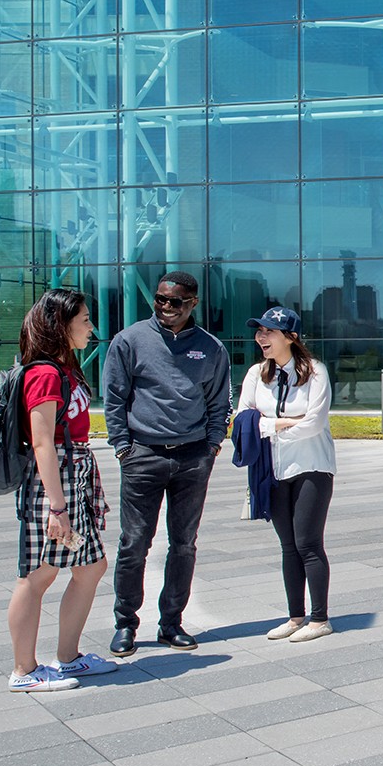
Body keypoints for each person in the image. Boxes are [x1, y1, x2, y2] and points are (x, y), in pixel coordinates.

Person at [102, 270, 232, 656]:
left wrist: (211, 446)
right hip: (143, 455)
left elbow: (219, 402)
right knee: (134, 543)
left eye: (175, 301)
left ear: (193, 303)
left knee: (184, 544)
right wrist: (123, 447)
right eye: (160, 299)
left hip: (193, 458)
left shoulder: (211, 348)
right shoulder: (130, 340)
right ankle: (125, 624)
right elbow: (114, 397)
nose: (165, 307)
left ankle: (171, 623)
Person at [7, 289, 115, 693]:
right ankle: (24, 671)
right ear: (60, 324)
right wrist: (57, 508)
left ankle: (68, 658)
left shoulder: (64, 368)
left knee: (90, 566)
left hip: (74, 479)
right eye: (84, 320)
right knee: (38, 575)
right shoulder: (45, 374)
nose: (91, 327)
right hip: (54, 486)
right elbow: (41, 443)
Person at [236, 306, 336, 644]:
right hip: (273, 469)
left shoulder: (316, 372)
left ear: (290, 337)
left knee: (308, 542)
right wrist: (279, 424)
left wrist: (269, 428)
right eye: (259, 331)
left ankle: (320, 619)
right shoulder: (256, 374)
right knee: (288, 545)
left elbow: (315, 424)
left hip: (312, 467)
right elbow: (243, 420)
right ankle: (295, 617)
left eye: (269, 331)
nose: (261, 337)